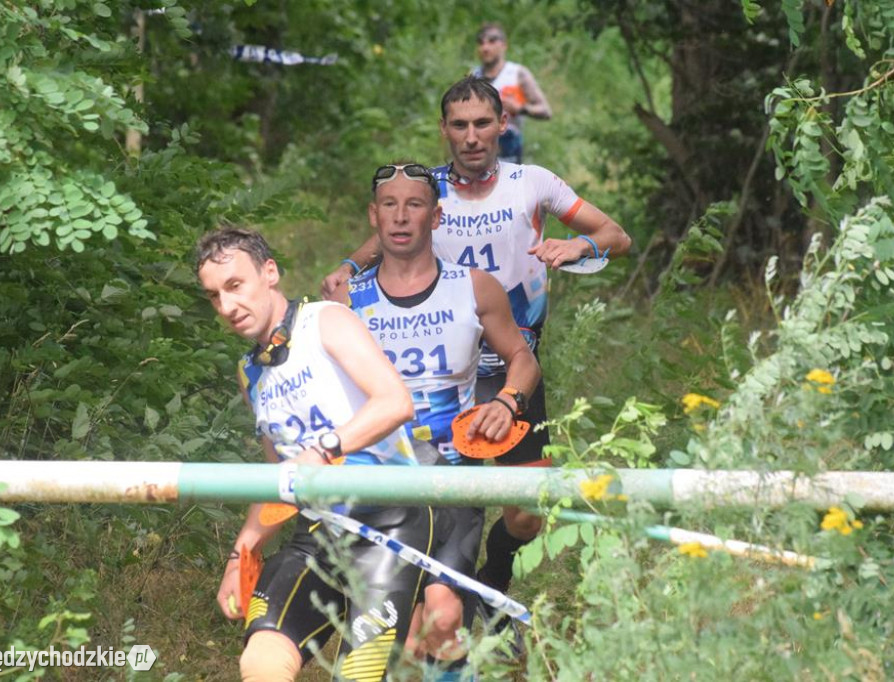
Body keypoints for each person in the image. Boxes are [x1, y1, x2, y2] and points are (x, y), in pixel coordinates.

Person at [321, 76, 631, 618]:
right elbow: (383, 239)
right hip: (448, 369)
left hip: (515, 368)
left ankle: (495, 573)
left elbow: (615, 236)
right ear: (444, 130)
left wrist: (575, 243)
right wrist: (346, 270)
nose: (471, 136)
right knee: (444, 500)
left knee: (527, 517)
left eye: (482, 123)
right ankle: (445, 598)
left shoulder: (533, 182)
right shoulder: (427, 191)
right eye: (459, 125)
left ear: (502, 125)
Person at [199, 225, 433, 682]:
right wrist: (240, 553)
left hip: (390, 524)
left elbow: (394, 401)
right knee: (261, 662)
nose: (226, 306)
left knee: (359, 675)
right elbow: (279, 476)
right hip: (318, 532)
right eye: (213, 296)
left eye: (234, 286)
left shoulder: (326, 320)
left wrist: (324, 450)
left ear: (270, 273)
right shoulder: (250, 371)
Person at [347, 162, 541, 678]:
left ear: (436, 217)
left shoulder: (475, 288)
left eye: (414, 205)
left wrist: (505, 402)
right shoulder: (346, 301)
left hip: (451, 477)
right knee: (399, 632)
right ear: (374, 216)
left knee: (444, 616)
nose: (401, 216)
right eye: (390, 205)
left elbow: (523, 360)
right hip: (378, 478)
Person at [473, 22, 551, 164]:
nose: (485, 47)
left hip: (509, 148)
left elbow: (545, 111)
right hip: (478, 147)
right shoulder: (473, 76)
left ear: (503, 45)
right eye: (481, 43)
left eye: (491, 41)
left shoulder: (517, 74)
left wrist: (520, 108)